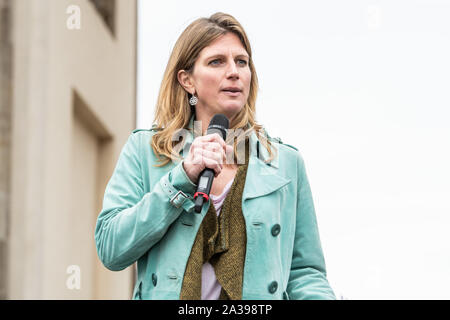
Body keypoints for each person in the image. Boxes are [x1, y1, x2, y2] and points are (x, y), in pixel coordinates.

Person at [95, 12, 335, 300]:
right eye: (217, 61)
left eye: (242, 62)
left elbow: (305, 272)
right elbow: (111, 248)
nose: (234, 71)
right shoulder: (147, 150)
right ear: (187, 81)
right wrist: (180, 179)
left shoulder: (284, 163)